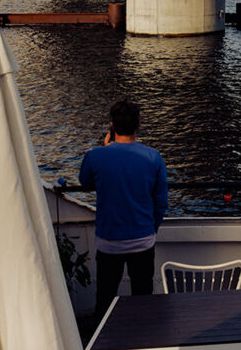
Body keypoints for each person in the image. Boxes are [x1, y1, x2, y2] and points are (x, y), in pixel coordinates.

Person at [79, 99, 169, 320]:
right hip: (142, 238)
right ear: (138, 125)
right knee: (143, 298)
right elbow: (161, 202)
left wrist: (107, 148)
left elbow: (85, 183)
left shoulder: (95, 156)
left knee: (105, 298)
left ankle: (103, 338)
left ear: (112, 126)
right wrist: (150, 228)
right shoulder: (153, 157)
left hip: (109, 241)